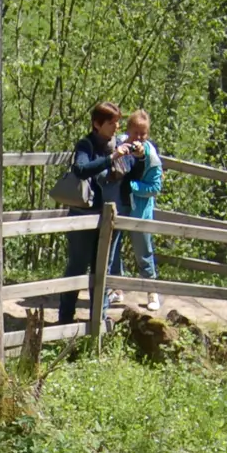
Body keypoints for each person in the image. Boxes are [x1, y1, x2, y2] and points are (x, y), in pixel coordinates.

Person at [58, 102, 139, 325]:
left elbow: (133, 173)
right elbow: (81, 169)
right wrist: (111, 157)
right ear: (97, 124)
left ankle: (98, 318)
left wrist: (138, 156)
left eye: (117, 122)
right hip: (83, 215)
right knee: (77, 264)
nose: (116, 127)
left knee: (102, 267)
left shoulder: (120, 144)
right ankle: (65, 318)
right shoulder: (86, 144)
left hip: (108, 216)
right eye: (111, 123)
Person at [118, 109, 165, 312]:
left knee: (143, 252)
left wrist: (133, 187)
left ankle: (151, 290)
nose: (138, 137)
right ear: (128, 130)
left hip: (140, 212)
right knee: (113, 249)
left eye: (143, 133)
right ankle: (116, 288)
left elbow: (155, 188)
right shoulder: (118, 145)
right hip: (118, 207)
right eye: (135, 132)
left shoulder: (151, 157)